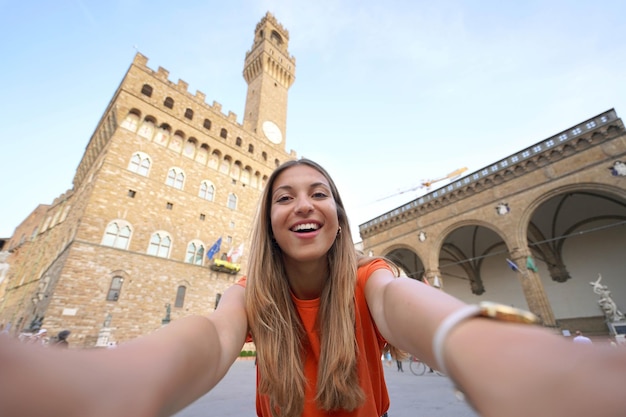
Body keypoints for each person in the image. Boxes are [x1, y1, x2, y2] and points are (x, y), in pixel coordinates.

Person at [1, 157, 626, 417]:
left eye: (319, 193)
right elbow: (209, 340)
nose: (304, 206)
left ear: (337, 214)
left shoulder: (369, 278)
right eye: (285, 196)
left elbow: (428, 315)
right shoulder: (250, 293)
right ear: (269, 219)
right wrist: (110, 382)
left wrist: (533, 368)